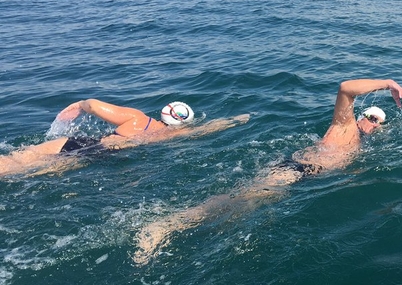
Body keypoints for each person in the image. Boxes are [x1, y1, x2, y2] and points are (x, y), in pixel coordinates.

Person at [133, 78, 402, 264]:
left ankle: (186, 234)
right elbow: (346, 88)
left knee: (240, 211)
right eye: (370, 117)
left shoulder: (362, 146)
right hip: (296, 170)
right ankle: (165, 225)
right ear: (361, 116)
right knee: (240, 199)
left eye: (379, 122)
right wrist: (387, 84)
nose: (373, 123)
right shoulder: (344, 127)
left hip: (304, 180)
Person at [0, 99, 250, 177]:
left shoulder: (138, 119)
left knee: (23, 157)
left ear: (164, 111)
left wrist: (78, 105)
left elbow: (94, 105)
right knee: (33, 173)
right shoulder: (179, 134)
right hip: (109, 159)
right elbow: (213, 128)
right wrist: (240, 118)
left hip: (89, 145)